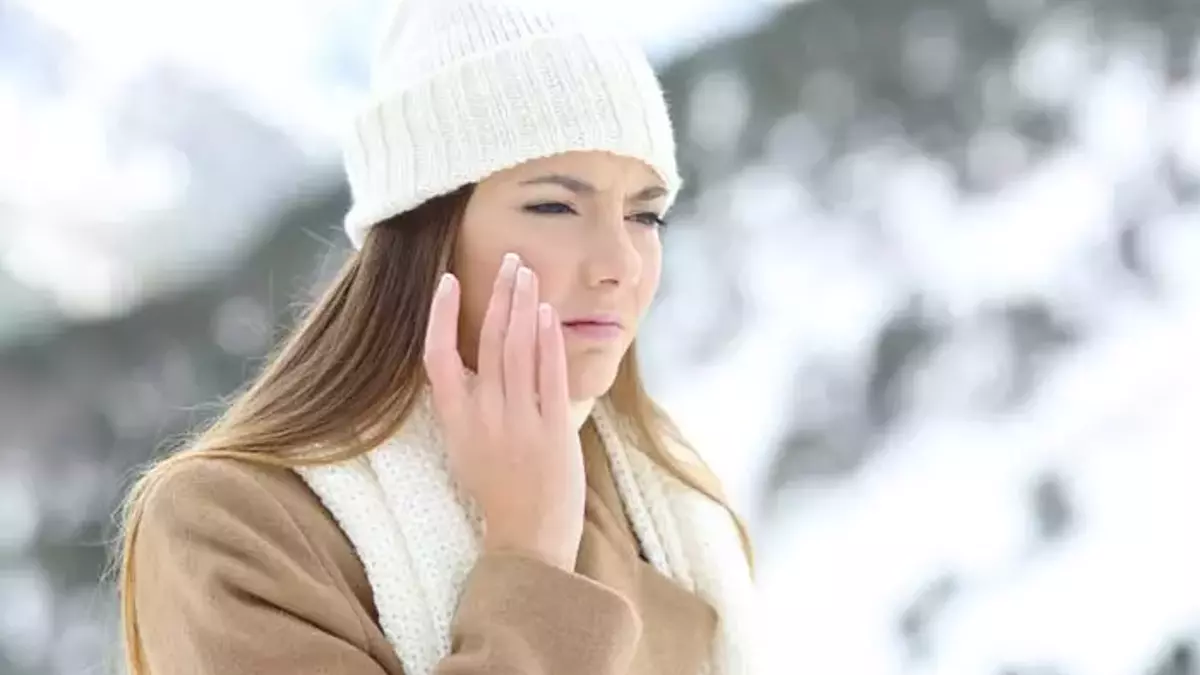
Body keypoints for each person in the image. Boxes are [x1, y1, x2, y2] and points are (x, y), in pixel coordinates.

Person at [116, 0, 757, 673]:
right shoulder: (235, 525)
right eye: (554, 206)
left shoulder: (665, 508)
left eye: (646, 214)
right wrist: (529, 556)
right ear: (426, 232)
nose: (621, 264)